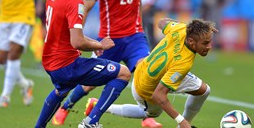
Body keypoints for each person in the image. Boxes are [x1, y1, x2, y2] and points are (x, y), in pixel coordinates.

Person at [52, 0, 161, 127]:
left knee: (146, 74)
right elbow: (85, 7)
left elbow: (136, 2)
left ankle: (146, 117)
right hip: (110, 41)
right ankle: (66, 106)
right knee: (89, 84)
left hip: (135, 38)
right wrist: (80, 36)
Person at [34, 0, 131, 128]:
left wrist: (94, 44)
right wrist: (100, 44)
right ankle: (91, 122)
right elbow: (77, 42)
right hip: (68, 65)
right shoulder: (74, 1)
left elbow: (69, 34)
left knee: (60, 90)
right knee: (123, 73)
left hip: (51, 61)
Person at [85, 18, 218, 128]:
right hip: (145, 86)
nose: (209, 47)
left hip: (156, 69)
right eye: (205, 43)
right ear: (191, 41)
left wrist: (198, 28)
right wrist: (180, 120)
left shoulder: (181, 28)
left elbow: (161, 22)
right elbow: (159, 95)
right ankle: (98, 106)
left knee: (203, 90)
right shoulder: (183, 63)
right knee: (150, 113)